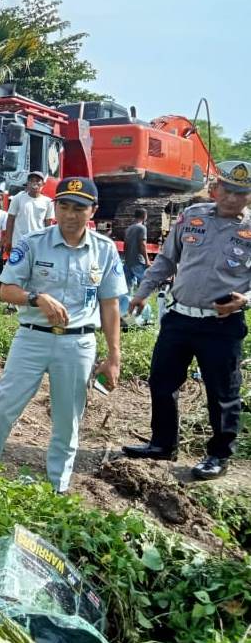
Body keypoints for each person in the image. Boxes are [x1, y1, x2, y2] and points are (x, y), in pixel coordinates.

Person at [0, 177, 125, 493]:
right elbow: (6, 290)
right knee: (3, 408)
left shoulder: (104, 250)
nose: (70, 214)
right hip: (32, 338)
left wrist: (113, 356)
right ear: (55, 207)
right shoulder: (32, 242)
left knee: (67, 419)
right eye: (64, 206)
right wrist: (36, 298)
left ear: (93, 211)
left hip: (78, 344)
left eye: (79, 208)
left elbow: (110, 305)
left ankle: (58, 487)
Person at [123, 161, 251, 480]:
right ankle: (162, 444)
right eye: (229, 190)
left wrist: (246, 300)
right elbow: (167, 259)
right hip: (179, 318)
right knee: (162, 382)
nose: (233, 198)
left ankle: (219, 455)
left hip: (222, 325)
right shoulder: (191, 218)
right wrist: (142, 293)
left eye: (242, 193)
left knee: (222, 393)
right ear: (215, 189)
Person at [5, 171, 55, 249]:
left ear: (43, 184)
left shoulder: (48, 202)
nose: (34, 183)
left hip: (38, 245)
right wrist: (8, 240)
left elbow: (48, 224)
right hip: (19, 243)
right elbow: (10, 220)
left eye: (38, 180)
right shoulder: (17, 198)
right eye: (31, 180)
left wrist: (48, 242)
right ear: (27, 183)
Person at [122, 208, 150, 291]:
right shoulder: (142, 228)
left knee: (128, 288)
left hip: (128, 262)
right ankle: (141, 303)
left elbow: (125, 245)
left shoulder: (128, 229)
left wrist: (126, 259)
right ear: (144, 216)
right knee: (144, 284)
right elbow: (142, 244)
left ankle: (128, 303)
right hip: (138, 261)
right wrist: (147, 260)